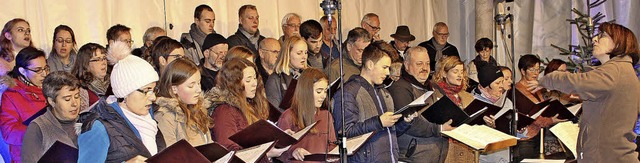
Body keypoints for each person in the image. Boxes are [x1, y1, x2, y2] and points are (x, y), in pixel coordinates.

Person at [539, 22, 640, 162]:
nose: (594, 39)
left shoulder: (614, 71)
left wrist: (545, 79)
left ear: (619, 42)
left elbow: (575, 81)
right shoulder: (623, 71)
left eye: (602, 35)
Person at [77, 41, 166, 162]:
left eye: (154, 89)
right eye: (146, 90)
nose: (153, 97)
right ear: (125, 93)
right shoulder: (99, 127)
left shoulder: (148, 117)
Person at [332, 41, 417, 162]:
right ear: (370, 64)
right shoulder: (348, 92)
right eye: (385, 67)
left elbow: (389, 132)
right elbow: (344, 132)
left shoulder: (384, 92)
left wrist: (405, 122)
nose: (388, 73)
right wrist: (378, 122)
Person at [208, 58, 288, 161]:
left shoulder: (250, 103)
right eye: (248, 80)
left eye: (255, 78)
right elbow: (229, 151)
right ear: (234, 83)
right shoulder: (224, 111)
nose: (254, 83)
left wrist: (281, 137)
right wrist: (265, 154)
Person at [387, 46, 447, 162]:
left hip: (435, 156)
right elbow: (411, 122)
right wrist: (438, 128)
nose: (425, 68)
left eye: (427, 63)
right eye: (419, 64)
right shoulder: (400, 88)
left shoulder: (434, 87)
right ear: (407, 65)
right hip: (411, 157)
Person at [276, 68, 336, 162]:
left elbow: (332, 146)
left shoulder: (326, 115)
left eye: (325, 91)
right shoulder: (288, 116)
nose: (323, 96)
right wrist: (293, 151)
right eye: (319, 91)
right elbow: (278, 151)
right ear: (306, 91)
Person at [0, 47, 49, 162]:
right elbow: (9, 132)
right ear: (22, 71)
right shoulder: (12, 94)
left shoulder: (50, 88)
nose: (44, 74)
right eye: (38, 70)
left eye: (45, 68)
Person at [21, 71, 81, 163]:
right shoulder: (38, 128)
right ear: (51, 101)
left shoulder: (86, 121)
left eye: (77, 96)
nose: (75, 104)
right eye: (67, 99)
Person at [155, 58, 212, 146]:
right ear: (174, 88)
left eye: (199, 83)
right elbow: (169, 156)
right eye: (191, 86)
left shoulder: (197, 108)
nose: (199, 90)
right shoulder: (165, 117)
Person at [266, 36, 308, 112]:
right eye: (299, 53)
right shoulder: (275, 79)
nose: (304, 57)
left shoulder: (307, 75)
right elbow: (275, 112)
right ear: (287, 55)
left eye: (306, 52)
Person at [71, 43, 111, 112]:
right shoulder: (80, 90)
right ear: (86, 65)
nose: (103, 62)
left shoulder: (112, 81)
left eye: (104, 58)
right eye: (97, 59)